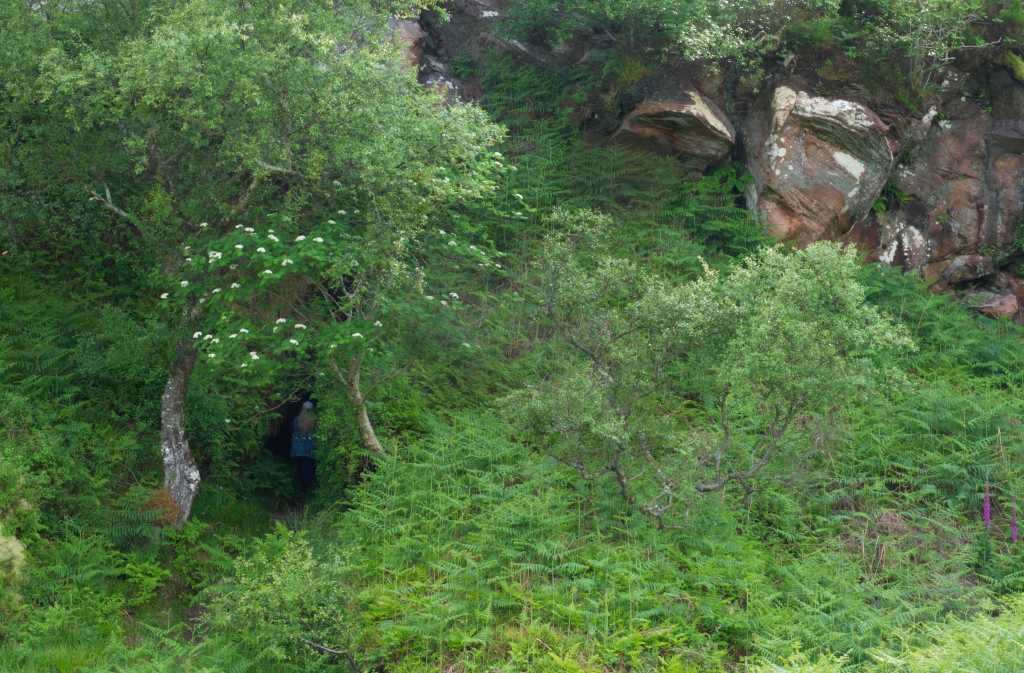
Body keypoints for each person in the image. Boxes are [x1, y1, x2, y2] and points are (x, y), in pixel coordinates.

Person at [290, 400, 317, 496]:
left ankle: (299, 491)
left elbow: (292, 429)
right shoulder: (314, 421)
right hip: (309, 451)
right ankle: (307, 492)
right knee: (308, 471)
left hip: (297, 450)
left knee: (299, 472)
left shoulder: (296, 420)